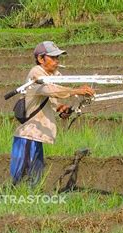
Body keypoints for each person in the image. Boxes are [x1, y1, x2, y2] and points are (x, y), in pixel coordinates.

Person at [9, 41, 94, 187]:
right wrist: (76, 91)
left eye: (58, 58)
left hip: (38, 135)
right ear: (41, 59)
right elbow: (51, 90)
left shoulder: (52, 75)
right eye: (53, 58)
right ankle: (17, 200)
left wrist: (62, 109)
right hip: (28, 135)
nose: (56, 61)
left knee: (35, 176)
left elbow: (53, 100)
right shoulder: (36, 73)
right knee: (21, 176)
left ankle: (31, 200)